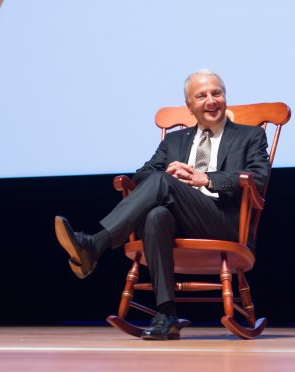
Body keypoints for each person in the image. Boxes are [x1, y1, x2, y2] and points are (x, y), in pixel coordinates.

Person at [54, 69, 269, 340]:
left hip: (223, 222)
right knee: (156, 214)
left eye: (217, 93)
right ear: (189, 106)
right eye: (201, 96)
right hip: (181, 219)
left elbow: (258, 179)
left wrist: (205, 178)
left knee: (160, 185)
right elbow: (142, 176)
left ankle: (95, 244)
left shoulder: (250, 137)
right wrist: (170, 176)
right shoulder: (175, 140)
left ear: (225, 98)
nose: (211, 101)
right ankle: (166, 315)